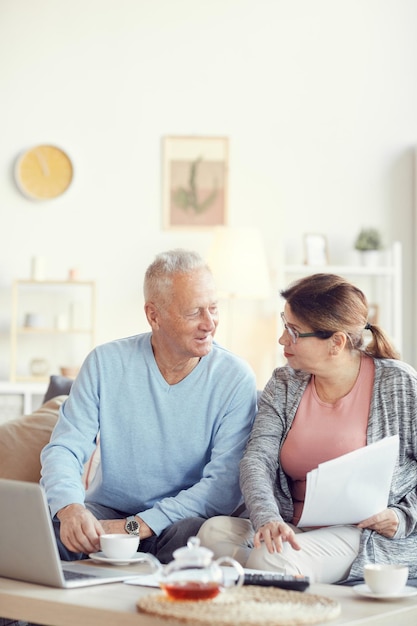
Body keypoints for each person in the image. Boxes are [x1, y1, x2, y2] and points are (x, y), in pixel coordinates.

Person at [40, 249, 257, 564]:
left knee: (197, 537)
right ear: (154, 315)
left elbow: (223, 486)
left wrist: (136, 526)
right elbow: (64, 448)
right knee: (46, 529)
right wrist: (71, 509)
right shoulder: (105, 363)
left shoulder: (235, 377)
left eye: (213, 308)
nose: (210, 323)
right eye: (194, 311)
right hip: (107, 514)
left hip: (181, 521)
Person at [198, 273, 417, 584]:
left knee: (269, 558)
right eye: (284, 325)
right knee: (211, 533)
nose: (282, 340)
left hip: (361, 533)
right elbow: (256, 460)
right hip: (293, 524)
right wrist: (268, 520)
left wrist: (403, 516)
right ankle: (271, 574)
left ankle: (267, 572)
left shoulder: (398, 384)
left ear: (336, 343)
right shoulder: (285, 382)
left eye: (293, 331)